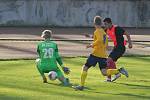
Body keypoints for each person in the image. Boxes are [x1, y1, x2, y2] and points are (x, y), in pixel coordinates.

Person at [72, 16, 128, 91]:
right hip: (102, 55)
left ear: (94, 23)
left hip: (95, 54)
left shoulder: (97, 31)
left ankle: (81, 86)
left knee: (85, 67)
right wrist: (106, 47)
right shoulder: (103, 31)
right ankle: (119, 70)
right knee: (104, 72)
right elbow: (105, 42)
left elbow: (99, 40)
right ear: (101, 23)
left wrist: (91, 45)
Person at [103, 18, 132, 82]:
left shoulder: (117, 28)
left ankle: (118, 72)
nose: (105, 25)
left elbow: (127, 34)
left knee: (109, 60)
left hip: (121, 48)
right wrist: (90, 36)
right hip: (116, 47)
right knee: (109, 62)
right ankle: (109, 79)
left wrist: (130, 44)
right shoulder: (106, 30)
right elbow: (100, 35)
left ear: (110, 23)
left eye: (106, 24)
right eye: (104, 24)